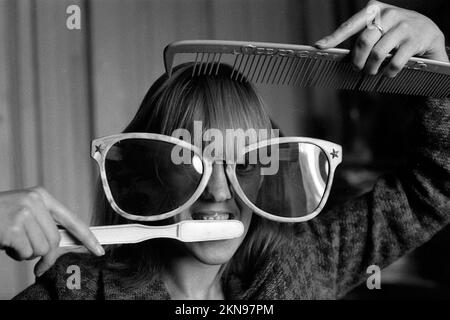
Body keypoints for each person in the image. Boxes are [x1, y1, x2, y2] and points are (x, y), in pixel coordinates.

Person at [2, 1, 449, 299]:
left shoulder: (309, 264)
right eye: (188, 160)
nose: (218, 190)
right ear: (147, 172)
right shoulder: (76, 291)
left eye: (245, 161)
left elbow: (432, 189)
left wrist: (438, 61)